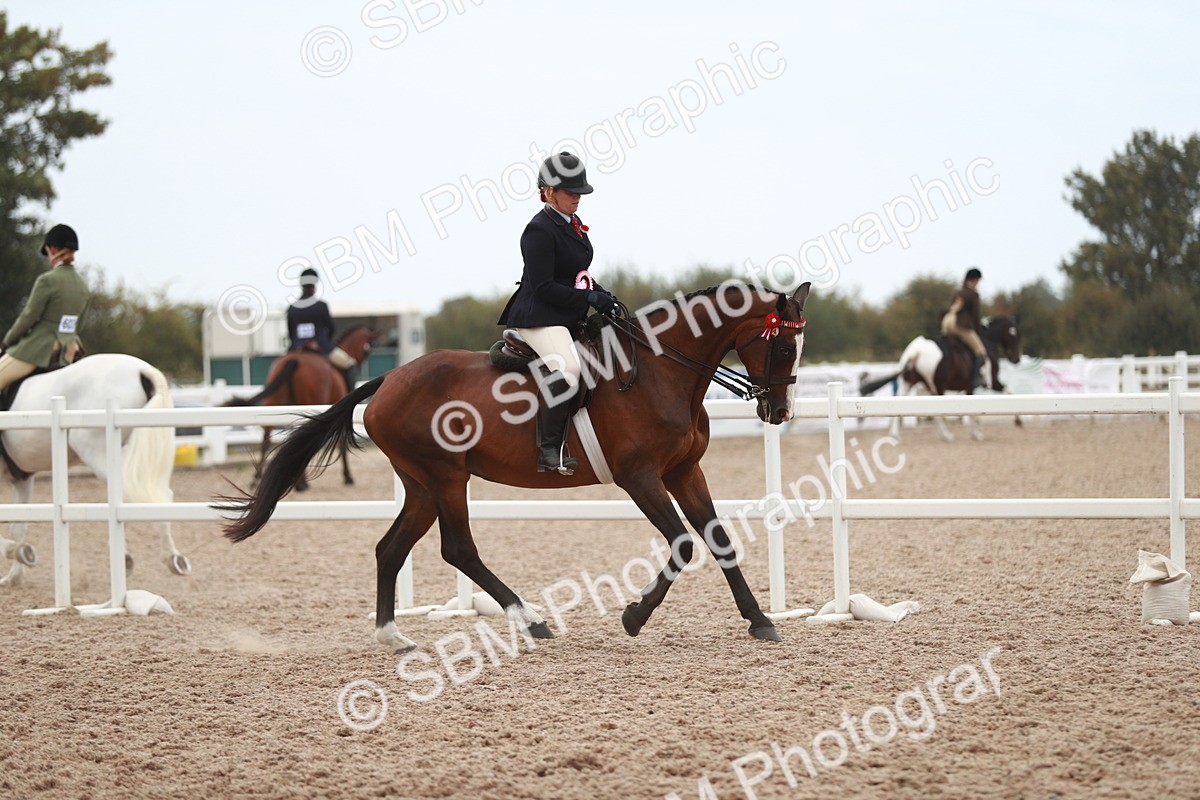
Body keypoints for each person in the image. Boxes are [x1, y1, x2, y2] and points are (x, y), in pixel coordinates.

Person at [497, 152, 617, 475]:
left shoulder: (573, 225)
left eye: (580, 191)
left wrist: (602, 294)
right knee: (568, 368)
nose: (578, 197)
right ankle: (549, 451)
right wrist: (587, 296)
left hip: (564, 314)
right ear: (549, 192)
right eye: (571, 191)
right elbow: (544, 288)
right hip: (539, 316)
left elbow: (577, 274)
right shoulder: (538, 230)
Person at [0, 224, 91, 399]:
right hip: (70, 350)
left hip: (40, 348)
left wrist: (8, 341)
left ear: (53, 249)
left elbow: (29, 316)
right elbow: (79, 324)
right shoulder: (83, 285)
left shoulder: (47, 280)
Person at [286, 267, 357, 390]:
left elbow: (291, 334)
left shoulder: (292, 308)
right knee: (350, 365)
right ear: (315, 285)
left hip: (296, 348)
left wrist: (299, 343)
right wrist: (324, 342)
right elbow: (331, 329)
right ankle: (351, 398)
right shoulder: (321, 306)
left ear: (301, 285)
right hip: (321, 347)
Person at [941, 267, 987, 389]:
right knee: (981, 352)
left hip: (946, 321)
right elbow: (975, 316)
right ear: (974, 280)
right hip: (959, 325)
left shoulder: (958, 292)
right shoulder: (973, 294)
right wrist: (978, 332)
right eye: (978, 280)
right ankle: (976, 379)